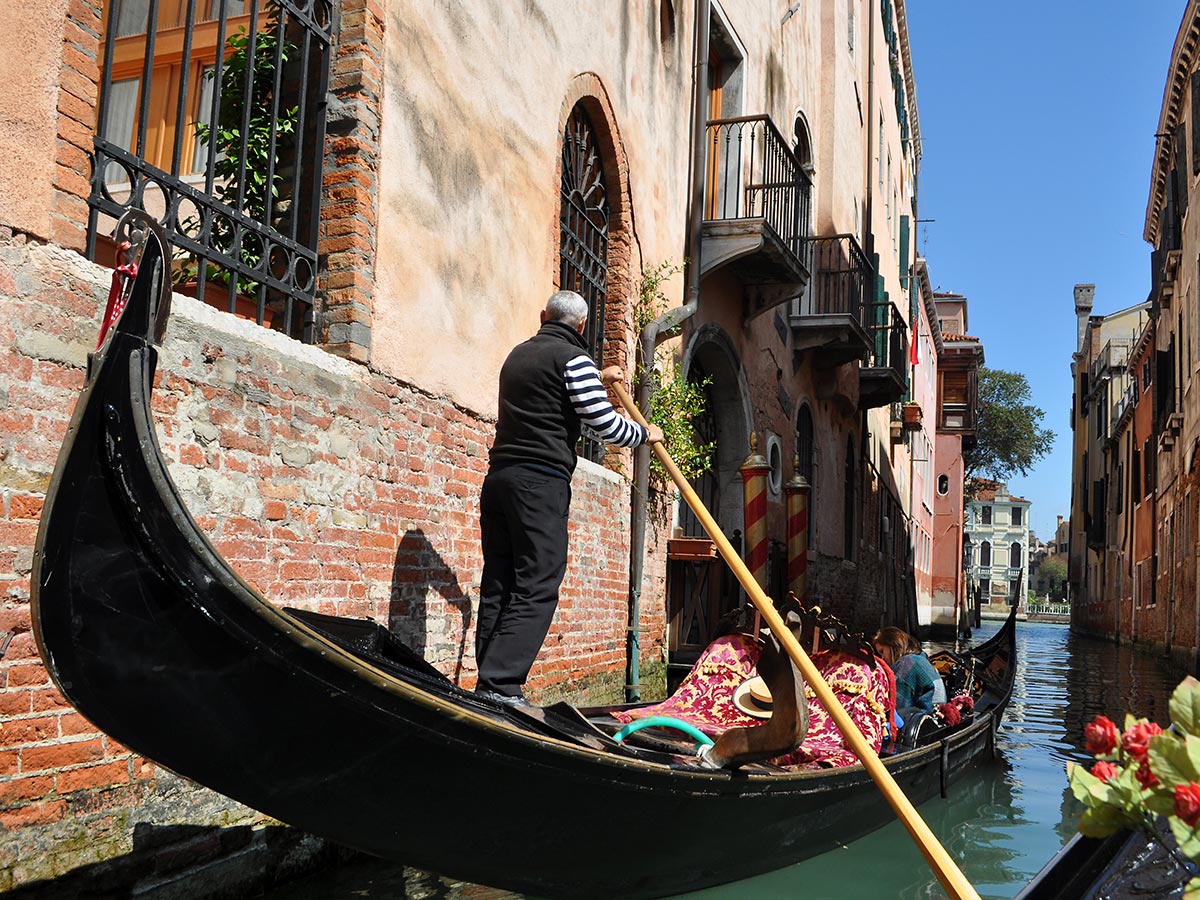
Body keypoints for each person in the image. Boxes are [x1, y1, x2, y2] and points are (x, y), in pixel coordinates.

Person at [474, 290, 664, 707]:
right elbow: (603, 423)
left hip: (499, 479)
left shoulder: (518, 356)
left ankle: (487, 682)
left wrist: (597, 376)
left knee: (500, 581)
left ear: (544, 316)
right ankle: (501, 684)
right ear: (581, 326)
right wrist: (645, 435)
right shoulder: (572, 359)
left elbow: (552, 394)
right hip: (539, 483)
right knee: (538, 581)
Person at [871, 626, 947, 724]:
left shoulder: (906, 664)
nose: (882, 658)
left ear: (893, 645)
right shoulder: (919, 658)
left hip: (924, 718)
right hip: (936, 713)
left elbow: (896, 702)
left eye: (882, 651)